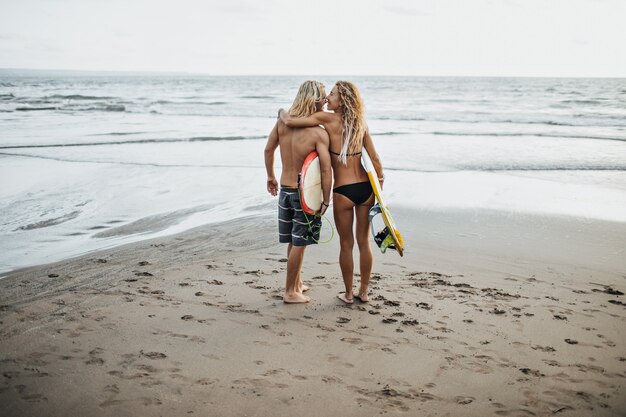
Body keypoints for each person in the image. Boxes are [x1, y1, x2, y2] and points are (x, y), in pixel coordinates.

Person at [279, 81, 384, 304]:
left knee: (346, 244)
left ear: (343, 100)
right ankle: (363, 292)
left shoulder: (327, 119)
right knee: (364, 242)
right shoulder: (361, 124)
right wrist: (380, 183)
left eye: (333, 94)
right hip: (366, 189)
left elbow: (290, 121)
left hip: (343, 191)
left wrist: (281, 112)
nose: (327, 98)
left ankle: (348, 294)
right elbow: (374, 159)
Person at [264, 81, 332, 304]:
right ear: (313, 99)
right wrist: (326, 199)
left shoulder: (283, 124)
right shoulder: (318, 133)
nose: (325, 100)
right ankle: (290, 292)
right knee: (300, 243)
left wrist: (270, 176)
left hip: (285, 189)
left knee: (293, 241)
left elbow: (268, 149)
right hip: (304, 195)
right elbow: (324, 169)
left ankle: (297, 282)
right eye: (322, 96)